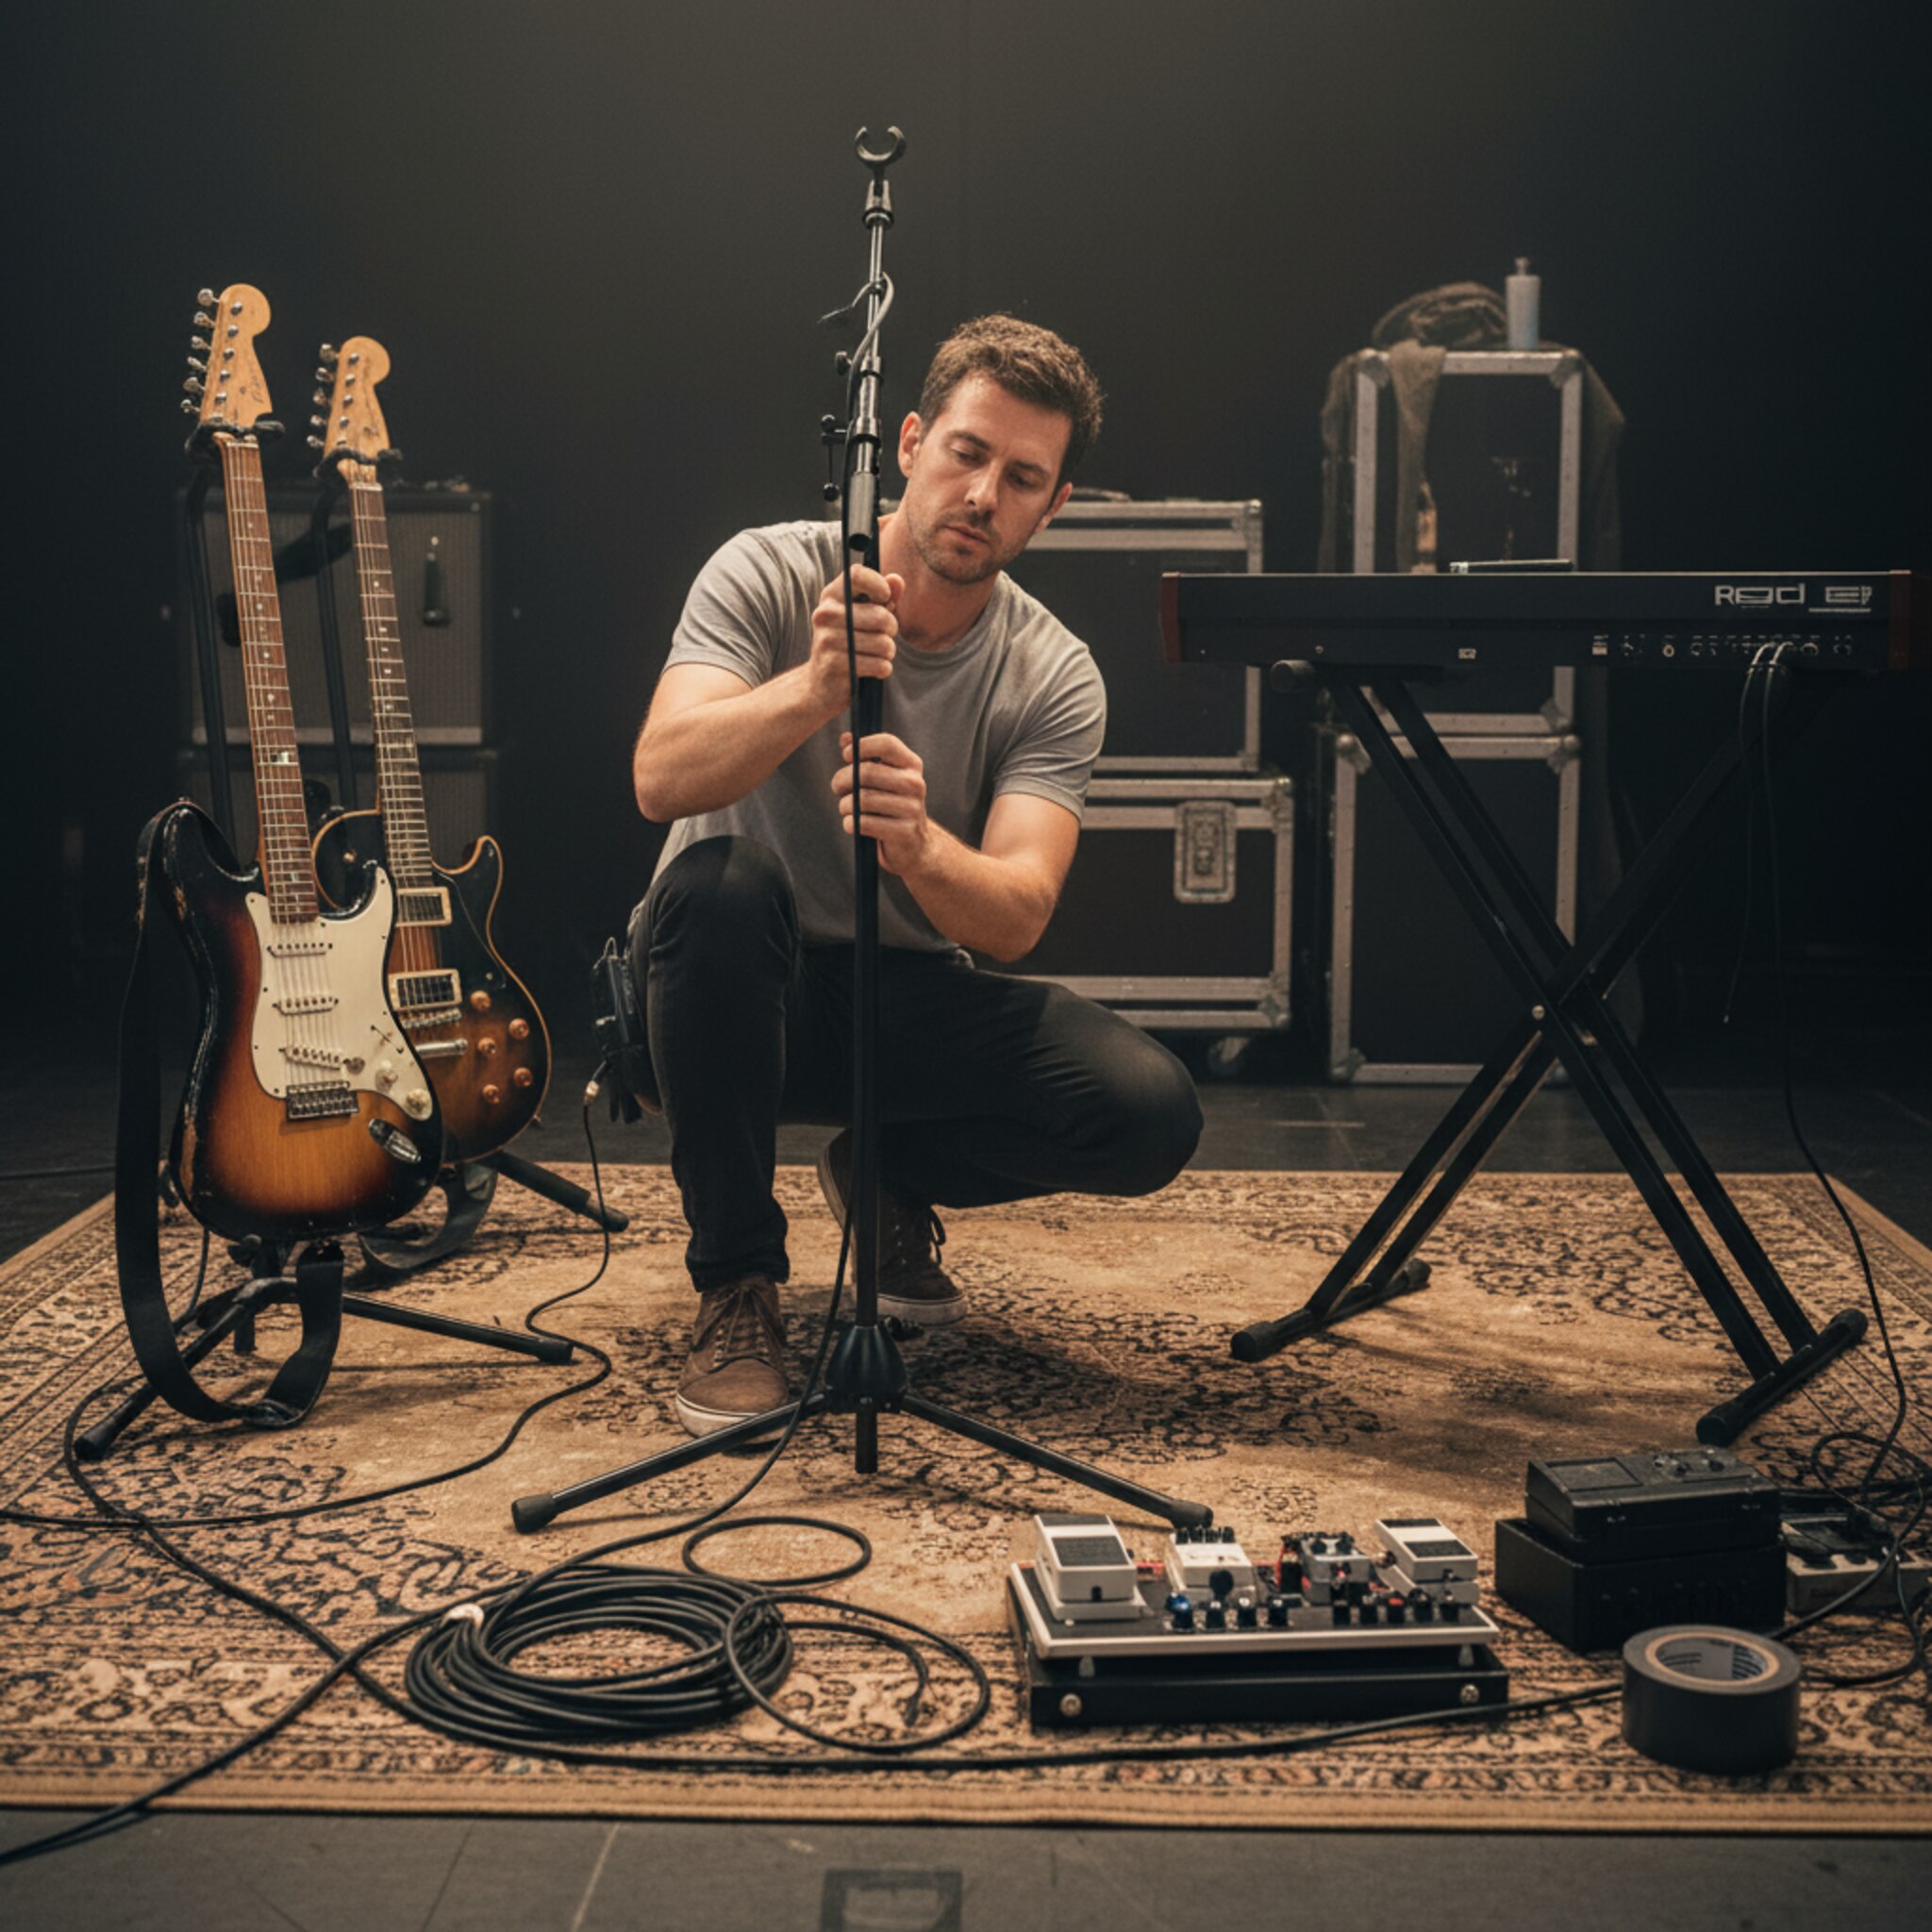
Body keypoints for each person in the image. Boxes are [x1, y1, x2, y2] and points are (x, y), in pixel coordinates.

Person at [629, 314, 1203, 1436]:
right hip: (723, 987)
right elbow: (659, 776)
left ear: (1053, 506)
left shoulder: (1053, 671)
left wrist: (920, 846)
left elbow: (1016, 916)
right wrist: (812, 689)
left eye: (1021, 477)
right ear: (907, 443)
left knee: (1149, 1110)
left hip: (898, 996)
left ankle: (885, 1166)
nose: (983, 493)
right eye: (965, 452)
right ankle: (737, 1285)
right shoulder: (764, 569)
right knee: (720, 883)